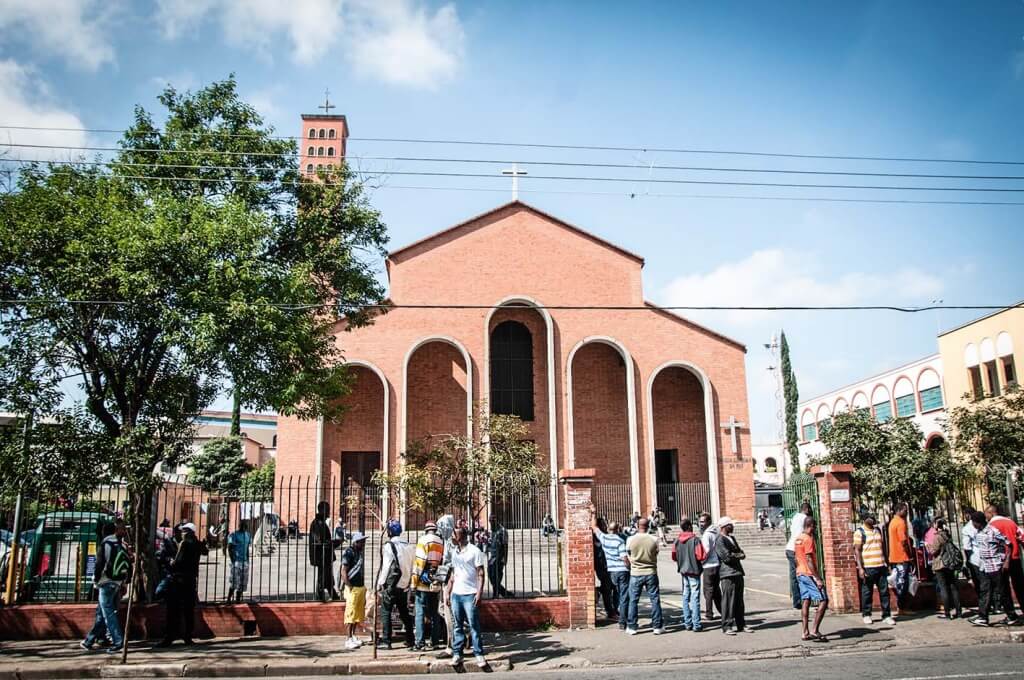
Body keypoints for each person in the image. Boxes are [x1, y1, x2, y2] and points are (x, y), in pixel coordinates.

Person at [80, 520, 130, 654]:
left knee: (108, 614)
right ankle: (89, 641)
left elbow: (99, 565)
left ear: (104, 532)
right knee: (102, 613)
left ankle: (118, 641)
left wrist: (96, 580)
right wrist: (124, 582)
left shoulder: (105, 544)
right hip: (117, 583)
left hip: (106, 582)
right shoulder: (121, 545)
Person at [158, 522, 207, 647]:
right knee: (187, 610)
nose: (182, 533)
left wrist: (171, 563)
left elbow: (176, 562)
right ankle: (186, 636)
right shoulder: (195, 543)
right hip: (190, 580)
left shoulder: (184, 544)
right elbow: (205, 551)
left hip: (179, 579)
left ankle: (171, 637)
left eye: (184, 531)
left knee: (174, 609)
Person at [444, 526, 488, 669]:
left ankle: (479, 654)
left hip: (470, 594)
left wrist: (479, 593)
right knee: (457, 626)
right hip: (456, 594)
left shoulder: (474, 551)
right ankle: (457, 653)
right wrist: (448, 592)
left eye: (454, 535)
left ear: (460, 536)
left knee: (473, 625)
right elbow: (453, 574)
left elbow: (481, 573)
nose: (452, 537)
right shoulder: (454, 553)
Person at [969, 511, 1013, 627]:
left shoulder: (992, 531)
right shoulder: (979, 533)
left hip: (996, 566)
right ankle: (983, 617)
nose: (972, 524)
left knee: (1002, 591)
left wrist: (1006, 561)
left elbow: (1008, 544)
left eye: (973, 522)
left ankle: (1011, 615)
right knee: (985, 591)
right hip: (985, 566)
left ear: (978, 522)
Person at [377, 519, 415, 649]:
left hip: (391, 585)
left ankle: (386, 641)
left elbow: (386, 566)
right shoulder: (409, 545)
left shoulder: (389, 546)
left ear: (389, 531)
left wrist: (381, 582)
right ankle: (410, 639)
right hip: (403, 584)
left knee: (386, 612)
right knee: (404, 612)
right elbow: (412, 565)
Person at [854, 509, 894, 625]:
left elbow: (883, 547)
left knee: (884, 592)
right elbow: (857, 551)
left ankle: (886, 615)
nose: (872, 519)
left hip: (881, 565)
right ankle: (866, 614)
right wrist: (860, 568)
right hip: (868, 566)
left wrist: (887, 563)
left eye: (873, 517)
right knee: (867, 592)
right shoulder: (859, 532)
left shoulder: (878, 530)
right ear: (864, 519)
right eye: (870, 518)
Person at [625, 517, 664, 635]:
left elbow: (628, 554)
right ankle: (657, 626)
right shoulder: (654, 539)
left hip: (636, 572)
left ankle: (632, 627)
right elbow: (656, 553)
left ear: (637, 526)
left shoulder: (630, 539)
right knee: (655, 599)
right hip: (651, 571)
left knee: (633, 600)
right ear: (648, 526)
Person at [985, 504, 1024, 620]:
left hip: (1000, 561)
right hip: (1015, 558)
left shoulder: (991, 526)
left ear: (992, 513)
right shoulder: (1011, 522)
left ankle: (1011, 614)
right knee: (1020, 586)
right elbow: (1022, 537)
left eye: (986, 514)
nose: (986, 517)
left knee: (1004, 588)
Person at [412, 520, 446, 650]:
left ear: (426, 530)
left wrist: (413, 582)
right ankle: (435, 641)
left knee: (420, 612)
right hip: (435, 582)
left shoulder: (423, 541)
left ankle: (419, 642)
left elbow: (419, 563)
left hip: (423, 583)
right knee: (434, 613)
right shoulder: (440, 542)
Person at [794, 517, 828, 641]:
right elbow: (809, 559)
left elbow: (796, 558)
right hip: (808, 574)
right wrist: (817, 578)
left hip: (800, 573)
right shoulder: (808, 539)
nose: (815, 529)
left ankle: (805, 632)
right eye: (815, 526)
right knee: (824, 600)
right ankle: (815, 630)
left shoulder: (798, 538)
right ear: (811, 526)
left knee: (806, 600)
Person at [715, 517, 751, 635]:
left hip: (738, 572)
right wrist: (737, 555)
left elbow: (742, 553)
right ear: (724, 526)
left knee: (739, 601)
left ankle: (741, 624)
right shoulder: (719, 540)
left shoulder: (732, 538)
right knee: (728, 600)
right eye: (730, 525)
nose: (733, 526)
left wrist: (736, 554)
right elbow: (726, 557)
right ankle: (727, 625)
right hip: (727, 573)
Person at [926, 518, 962, 620]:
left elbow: (933, 551)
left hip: (940, 564)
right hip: (950, 563)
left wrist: (927, 546)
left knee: (943, 588)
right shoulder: (947, 535)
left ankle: (947, 613)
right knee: (953, 587)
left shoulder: (938, 537)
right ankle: (959, 612)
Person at [589, 507, 619, 622]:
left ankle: (614, 609)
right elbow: (593, 527)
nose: (604, 526)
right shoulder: (593, 538)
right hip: (601, 567)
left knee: (614, 588)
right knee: (607, 589)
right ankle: (610, 612)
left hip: (610, 566)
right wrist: (593, 513)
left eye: (604, 525)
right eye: (602, 525)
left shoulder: (605, 537)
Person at [673, 516, 703, 632]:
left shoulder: (677, 541)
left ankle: (687, 623)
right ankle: (696, 624)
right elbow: (700, 556)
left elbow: (674, 556)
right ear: (690, 527)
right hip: (694, 570)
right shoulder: (695, 540)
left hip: (683, 570)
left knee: (685, 596)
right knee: (695, 597)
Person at [340, 531, 367, 650]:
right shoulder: (349, 552)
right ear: (356, 542)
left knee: (357, 614)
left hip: (360, 587)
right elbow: (343, 570)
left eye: (364, 541)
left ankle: (353, 635)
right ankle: (348, 638)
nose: (363, 544)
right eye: (361, 542)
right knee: (350, 614)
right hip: (353, 587)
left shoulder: (359, 552)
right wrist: (349, 585)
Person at [887, 503, 915, 613]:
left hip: (895, 557)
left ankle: (901, 606)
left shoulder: (893, 522)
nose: (907, 512)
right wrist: (910, 556)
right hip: (902, 557)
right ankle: (902, 607)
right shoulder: (900, 523)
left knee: (899, 581)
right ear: (899, 510)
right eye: (905, 510)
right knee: (903, 583)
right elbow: (903, 541)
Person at [309, 501, 338, 602]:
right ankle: (321, 597)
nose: (329, 512)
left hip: (325, 556)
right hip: (322, 556)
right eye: (327, 510)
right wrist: (334, 543)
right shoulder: (318, 524)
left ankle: (332, 595)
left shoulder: (321, 523)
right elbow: (319, 542)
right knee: (323, 577)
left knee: (327, 576)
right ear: (321, 510)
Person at [786, 502, 811, 610]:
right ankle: (805, 598)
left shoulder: (795, 516)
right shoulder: (805, 518)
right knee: (803, 573)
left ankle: (797, 601)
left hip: (790, 547)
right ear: (807, 509)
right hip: (798, 548)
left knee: (794, 576)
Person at [699, 512, 723, 620]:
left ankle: (709, 613)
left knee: (708, 591)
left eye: (703, 521)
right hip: (717, 564)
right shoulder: (715, 532)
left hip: (709, 566)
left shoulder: (706, 534)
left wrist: (702, 562)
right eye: (700, 521)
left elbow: (706, 550)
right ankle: (723, 611)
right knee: (716, 590)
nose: (701, 524)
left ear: (708, 522)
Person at [961, 507, 983, 607]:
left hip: (974, 558)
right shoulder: (985, 525)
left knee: (978, 582)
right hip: (987, 557)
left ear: (968, 515)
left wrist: (967, 560)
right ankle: (996, 604)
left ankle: (983, 604)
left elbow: (967, 547)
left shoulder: (967, 528)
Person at [226, 520, 251, 604]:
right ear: (239, 526)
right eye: (242, 526)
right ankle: (229, 598)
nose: (243, 527)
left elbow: (247, 548)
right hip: (236, 561)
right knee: (234, 581)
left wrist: (248, 560)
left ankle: (238, 598)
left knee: (243, 582)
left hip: (245, 562)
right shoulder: (234, 535)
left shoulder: (248, 535)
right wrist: (233, 560)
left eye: (244, 526)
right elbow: (229, 547)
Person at [487, 515, 510, 598]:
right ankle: (505, 593)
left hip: (499, 557)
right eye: (490, 521)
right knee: (491, 575)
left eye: (492, 521)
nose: (491, 523)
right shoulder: (492, 531)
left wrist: (505, 559)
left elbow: (505, 545)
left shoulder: (502, 531)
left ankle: (495, 594)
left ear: (497, 521)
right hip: (492, 556)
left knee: (497, 577)